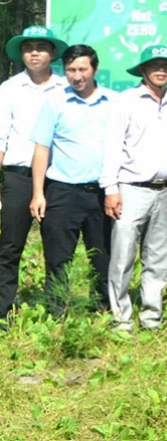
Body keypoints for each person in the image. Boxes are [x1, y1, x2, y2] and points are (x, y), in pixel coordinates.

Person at [102, 45, 167, 331]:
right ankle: (121, 318)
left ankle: (152, 317)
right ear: (143, 70)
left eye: (166, 66)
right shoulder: (126, 101)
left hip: (165, 190)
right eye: (155, 66)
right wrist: (110, 188)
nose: (161, 70)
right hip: (131, 189)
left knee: (158, 258)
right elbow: (112, 146)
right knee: (122, 257)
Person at [29, 44, 116, 316]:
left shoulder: (114, 102)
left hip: (101, 193)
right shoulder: (54, 102)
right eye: (70, 70)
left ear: (95, 69)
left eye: (82, 69)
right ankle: (58, 312)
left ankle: (102, 309)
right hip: (62, 192)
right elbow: (42, 148)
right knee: (57, 257)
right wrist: (38, 193)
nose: (77, 76)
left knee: (103, 257)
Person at [0, 25, 68, 325]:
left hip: (59, 178)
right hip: (18, 178)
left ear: (52, 53)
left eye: (41, 47)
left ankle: (58, 310)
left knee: (58, 248)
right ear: (21, 54)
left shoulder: (67, 88)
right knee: (10, 246)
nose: (35, 53)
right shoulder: (9, 89)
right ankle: (3, 310)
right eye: (29, 48)